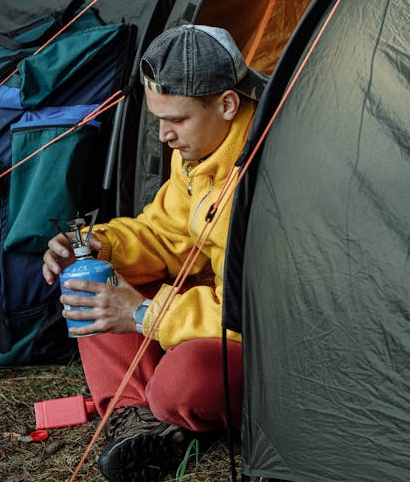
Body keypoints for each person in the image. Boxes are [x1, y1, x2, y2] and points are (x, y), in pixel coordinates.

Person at [42, 24, 268, 481]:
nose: (164, 135)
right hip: (207, 307)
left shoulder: (263, 177)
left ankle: (163, 410)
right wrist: (96, 246)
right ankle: (136, 421)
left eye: (177, 120)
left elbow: (254, 314)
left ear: (227, 104)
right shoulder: (201, 150)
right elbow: (164, 237)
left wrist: (146, 314)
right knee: (94, 281)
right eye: (157, 118)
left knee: (183, 382)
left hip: (266, 340)